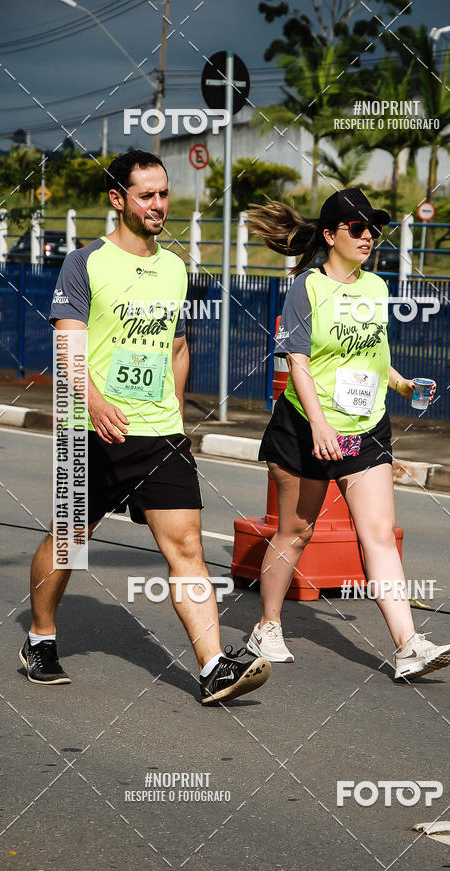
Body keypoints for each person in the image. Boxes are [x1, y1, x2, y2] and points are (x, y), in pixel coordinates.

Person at [20, 150, 270, 705]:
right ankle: (40, 637)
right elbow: (67, 344)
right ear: (118, 199)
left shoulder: (175, 267)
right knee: (69, 541)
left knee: (187, 547)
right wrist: (94, 402)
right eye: (147, 195)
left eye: (164, 194)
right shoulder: (85, 263)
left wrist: (175, 417)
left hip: (159, 433)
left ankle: (213, 667)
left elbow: (177, 346)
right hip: (92, 431)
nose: (159, 205)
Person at [245, 188, 450, 681]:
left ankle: (408, 645)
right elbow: (297, 361)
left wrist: (403, 385)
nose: (368, 237)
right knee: (297, 532)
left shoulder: (377, 288)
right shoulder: (306, 288)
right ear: (329, 235)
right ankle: (267, 626)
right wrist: (319, 424)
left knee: (378, 534)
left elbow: (374, 356)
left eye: (373, 230)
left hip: (366, 429)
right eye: (357, 228)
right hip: (305, 428)